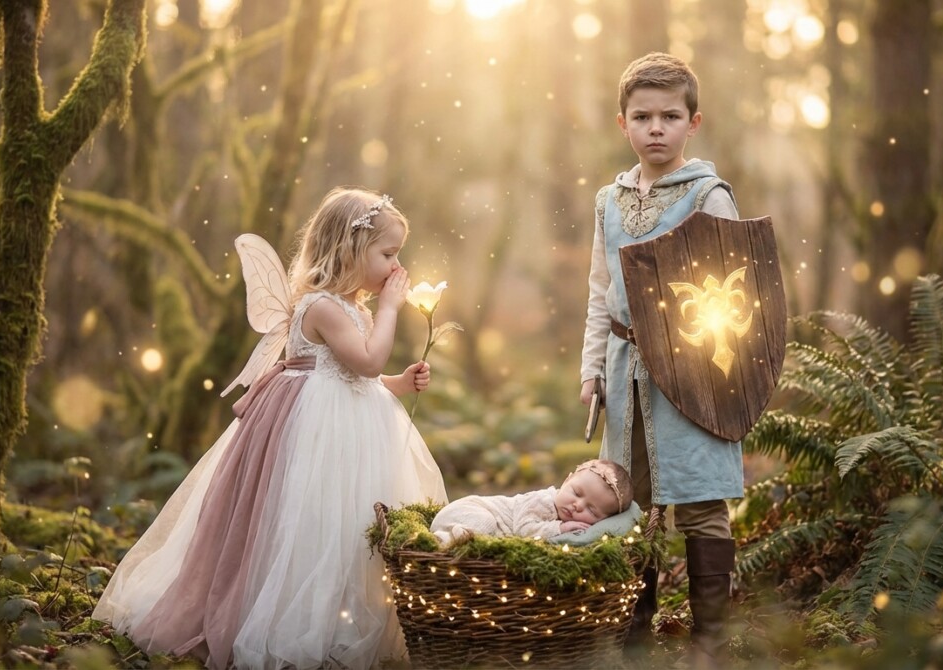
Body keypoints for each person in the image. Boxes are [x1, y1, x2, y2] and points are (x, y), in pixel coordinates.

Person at [93, 187, 448, 669]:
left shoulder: (353, 309)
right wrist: (389, 311)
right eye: (388, 254)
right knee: (306, 524)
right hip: (312, 436)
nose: (396, 266)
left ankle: (336, 620)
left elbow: (358, 374)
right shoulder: (321, 306)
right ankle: (288, 621)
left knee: (345, 528)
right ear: (348, 249)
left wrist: (398, 383)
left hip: (347, 431)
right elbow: (366, 362)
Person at [579, 52, 743, 666]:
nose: (655, 128)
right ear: (622, 123)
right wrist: (592, 369)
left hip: (695, 372)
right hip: (625, 371)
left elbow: (736, 292)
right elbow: (600, 292)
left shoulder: (708, 195)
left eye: (670, 116)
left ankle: (710, 643)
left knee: (700, 501)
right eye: (642, 116)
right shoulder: (609, 200)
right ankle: (635, 636)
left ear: (692, 123)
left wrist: (708, 367)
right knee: (629, 502)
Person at [429, 459, 634, 546]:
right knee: (486, 524)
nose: (577, 505)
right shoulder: (543, 501)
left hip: (476, 521)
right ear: (566, 481)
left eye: (592, 510)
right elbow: (523, 530)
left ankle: (457, 537)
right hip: (468, 511)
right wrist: (559, 528)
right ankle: (443, 539)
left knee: (483, 538)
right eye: (576, 492)